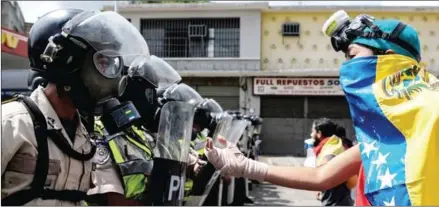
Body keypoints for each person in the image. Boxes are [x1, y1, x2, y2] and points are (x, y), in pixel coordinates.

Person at [204, 10, 439, 206]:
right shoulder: (380, 136)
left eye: (352, 55)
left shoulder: (433, 111)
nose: (346, 67)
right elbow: (321, 176)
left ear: (387, 59)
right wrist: (244, 166)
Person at [2, 9, 149, 205]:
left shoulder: (85, 137)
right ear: (66, 61)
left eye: (111, 64)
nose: (110, 76)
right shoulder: (13, 123)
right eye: (102, 63)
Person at [310, 118, 355, 206]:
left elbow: (325, 177)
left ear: (319, 134)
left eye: (313, 131)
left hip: (335, 202)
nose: (311, 135)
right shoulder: (333, 145)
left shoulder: (330, 151)